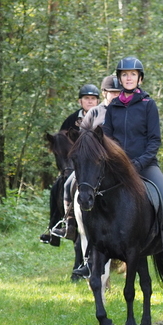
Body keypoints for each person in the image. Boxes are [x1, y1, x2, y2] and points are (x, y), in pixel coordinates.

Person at [102, 56, 163, 278]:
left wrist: (138, 163)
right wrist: (116, 164)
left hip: (145, 164)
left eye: (132, 74)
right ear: (119, 78)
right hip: (119, 167)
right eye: (124, 75)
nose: (128, 78)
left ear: (139, 78)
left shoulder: (149, 105)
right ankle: (89, 255)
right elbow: (108, 140)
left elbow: (154, 141)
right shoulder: (113, 108)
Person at [51, 76, 122, 242]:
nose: (115, 95)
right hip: (88, 163)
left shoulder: (124, 112)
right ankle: (68, 224)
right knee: (67, 184)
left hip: (114, 162)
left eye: (118, 92)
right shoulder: (92, 114)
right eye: (111, 92)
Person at [40, 84, 101, 245]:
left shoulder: (102, 116)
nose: (90, 101)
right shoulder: (71, 120)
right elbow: (60, 140)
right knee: (61, 186)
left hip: (95, 164)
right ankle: (63, 225)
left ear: (98, 101)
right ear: (80, 101)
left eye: (93, 98)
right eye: (86, 98)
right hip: (76, 165)